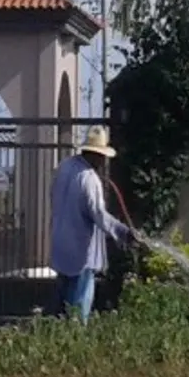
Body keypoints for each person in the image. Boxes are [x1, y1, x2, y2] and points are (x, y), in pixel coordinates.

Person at [49, 125, 139, 322]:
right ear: (96, 155)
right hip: (82, 255)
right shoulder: (89, 179)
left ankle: (56, 343)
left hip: (60, 247)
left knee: (61, 308)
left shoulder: (64, 168)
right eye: (102, 157)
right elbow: (98, 214)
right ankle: (75, 344)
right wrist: (123, 232)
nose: (103, 161)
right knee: (78, 311)